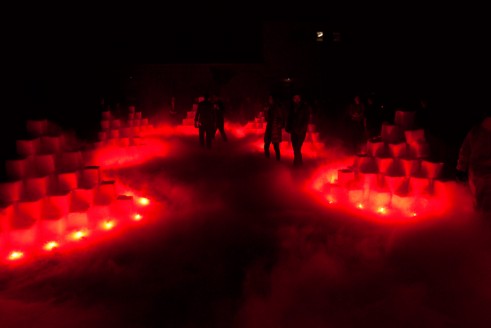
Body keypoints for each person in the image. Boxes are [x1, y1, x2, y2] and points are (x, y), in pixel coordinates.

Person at [456, 109, 491, 213]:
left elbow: (465, 151)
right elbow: (465, 150)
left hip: (476, 172)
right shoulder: (476, 132)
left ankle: (479, 221)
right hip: (479, 172)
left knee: (480, 200)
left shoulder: (476, 131)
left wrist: (460, 168)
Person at [285, 92, 312, 167]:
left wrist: (302, 128)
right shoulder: (291, 107)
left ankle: (297, 163)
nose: (296, 99)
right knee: (295, 148)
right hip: (293, 130)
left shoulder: (304, 107)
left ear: (300, 98)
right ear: (293, 99)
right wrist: (288, 127)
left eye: (298, 98)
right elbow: (289, 118)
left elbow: (306, 119)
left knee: (297, 147)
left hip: (301, 131)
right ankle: (298, 163)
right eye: (295, 98)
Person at [263, 93, 285, 160]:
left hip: (275, 128)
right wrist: (266, 112)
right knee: (266, 145)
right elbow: (267, 118)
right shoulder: (268, 107)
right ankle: (267, 159)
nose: (270, 100)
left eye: (271, 99)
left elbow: (281, 118)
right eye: (269, 99)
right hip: (270, 127)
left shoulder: (277, 108)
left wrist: (279, 125)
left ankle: (278, 160)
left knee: (276, 146)